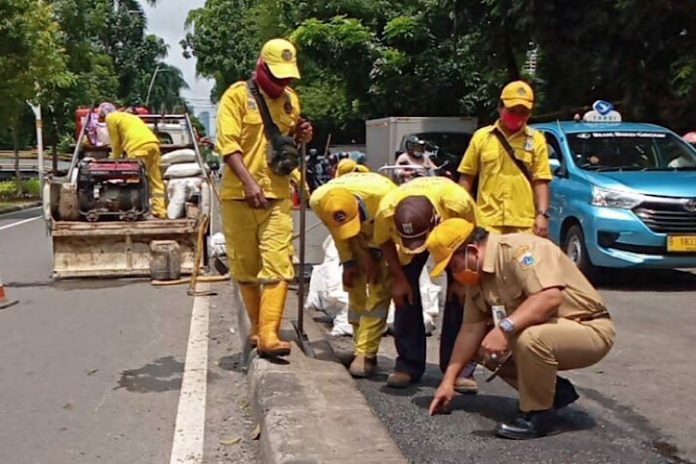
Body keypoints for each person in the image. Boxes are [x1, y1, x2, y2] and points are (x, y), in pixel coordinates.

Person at [427, 218, 615, 439]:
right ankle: (553, 391)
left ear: (471, 250)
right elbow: (469, 330)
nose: (454, 275)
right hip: (546, 332)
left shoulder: (521, 251)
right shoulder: (478, 278)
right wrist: (448, 382)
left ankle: (538, 415)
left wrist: (504, 329)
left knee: (528, 337)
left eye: (454, 266)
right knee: (480, 344)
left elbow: (549, 298)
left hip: (588, 328)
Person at [215, 38, 313, 357]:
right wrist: (248, 183)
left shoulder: (291, 100)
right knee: (245, 266)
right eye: (276, 76)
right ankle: (258, 328)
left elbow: (286, 141)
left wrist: (301, 136)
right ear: (261, 67)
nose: (281, 83)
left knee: (278, 262)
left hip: (277, 193)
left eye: (286, 77)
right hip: (238, 196)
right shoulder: (236, 97)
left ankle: (270, 333)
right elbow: (228, 146)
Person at [374, 176, 479, 391]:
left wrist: (462, 279)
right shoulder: (386, 211)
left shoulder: (457, 203)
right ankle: (408, 364)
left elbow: (474, 235)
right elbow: (384, 241)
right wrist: (399, 279)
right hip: (411, 237)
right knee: (404, 295)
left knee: (460, 297)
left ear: (436, 221)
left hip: (456, 240)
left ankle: (458, 369)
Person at [310, 172, 397, 377]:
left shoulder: (385, 197)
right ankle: (359, 346)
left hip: (386, 234)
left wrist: (375, 257)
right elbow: (337, 232)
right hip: (355, 239)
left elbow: (389, 236)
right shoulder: (319, 200)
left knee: (379, 289)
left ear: (358, 207)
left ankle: (367, 353)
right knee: (354, 285)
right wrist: (348, 261)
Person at [458, 81, 552, 237]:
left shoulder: (536, 140)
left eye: (523, 112)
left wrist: (542, 214)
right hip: (487, 222)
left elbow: (541, 180)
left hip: (524, 224)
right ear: (500, 107)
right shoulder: (481, 137)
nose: (517, 116)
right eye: (512, 110)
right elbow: (467, 177)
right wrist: (462, 212)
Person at [98, 102, 166, 219]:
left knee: (133, 179)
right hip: (153, 144)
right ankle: (160, 211)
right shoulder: (130, 116)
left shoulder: (110, 117)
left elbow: (115, 143)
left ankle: (135, 210)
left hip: (137, 147)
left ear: (103, 113)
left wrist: (113, 160)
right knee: (156, 180)